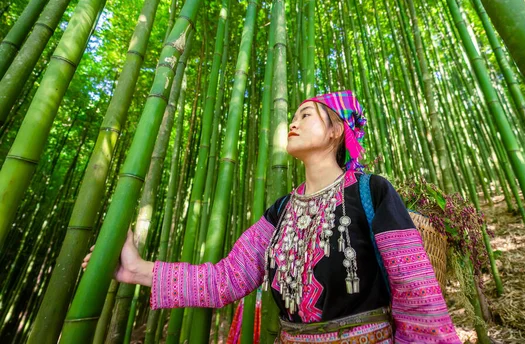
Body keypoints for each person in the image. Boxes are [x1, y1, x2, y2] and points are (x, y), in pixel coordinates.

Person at [82, 90, 460, 343]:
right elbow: (224, 280)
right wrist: (136, 270)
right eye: (292, 116)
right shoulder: (280, 211)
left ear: (336, 131)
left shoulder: (372, 192)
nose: (292, 122)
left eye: (305, 114)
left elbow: (418, 294)